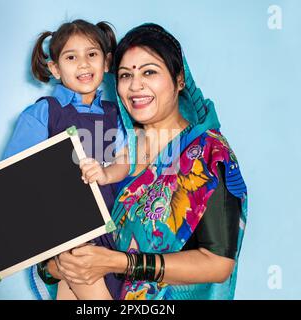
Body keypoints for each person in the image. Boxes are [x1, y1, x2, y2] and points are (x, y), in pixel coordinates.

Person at [56, 23, 248, 300]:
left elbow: (219, 264)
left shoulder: (207, 153)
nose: (135, 86)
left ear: (179, 79)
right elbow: (63, 233)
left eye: (149, 72)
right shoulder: (110, 151)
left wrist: (117, 263)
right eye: (124, 75)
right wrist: (62, 264)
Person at [0, 19, 128, 300]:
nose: (83, 64)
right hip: (66, 236)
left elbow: (124, 161)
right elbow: (8, 178)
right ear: (55, 68)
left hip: (111, 231)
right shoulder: (44, 113)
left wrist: (106, 174)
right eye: (71, 57)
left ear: (107, 62)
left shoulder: (116, 115)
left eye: (92, 54)